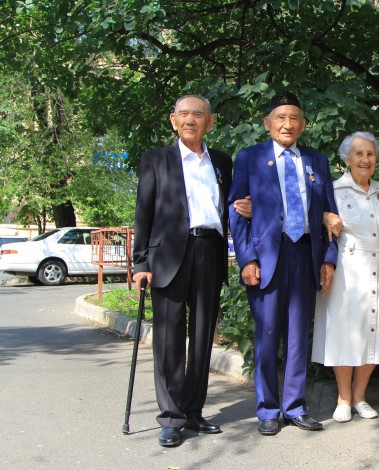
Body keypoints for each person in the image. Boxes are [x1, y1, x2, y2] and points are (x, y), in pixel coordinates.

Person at [228, 91, 338, 436]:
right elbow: (237, 212)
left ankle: (294, 407)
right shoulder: (250, 158)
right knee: (267, 335)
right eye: (280, 118)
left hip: (305, 255)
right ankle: (268, 409)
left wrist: (328, 260)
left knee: (297, 337)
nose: (287, 124)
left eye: (294, 118)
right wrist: (247, 258)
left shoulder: (317, 161)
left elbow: (330, 215)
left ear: (303, 125)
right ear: (267, 123)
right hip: (266, 259)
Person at [132, 94, 232, 447]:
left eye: (198, 114)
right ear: (173, 120)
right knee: (169, 338)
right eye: (184, 114)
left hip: (210, 250)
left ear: (210, 122)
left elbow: (230, 205)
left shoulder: (222, 162)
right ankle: (171, 416)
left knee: (202, 336)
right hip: (168, 256)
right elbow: (143, 211)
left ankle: (193, 410)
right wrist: (140, 263)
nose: (190, 120)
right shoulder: (156, 160)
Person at [311, 132, 379, 423]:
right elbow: (314, 219)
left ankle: (359, 396)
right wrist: (323, 217)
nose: (365, 159)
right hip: (347, 268)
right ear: (347, 159)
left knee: (375, 330)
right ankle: (343, 398)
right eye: (359, 154)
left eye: (370, 154)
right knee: (345, 332)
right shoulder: (334, 190)